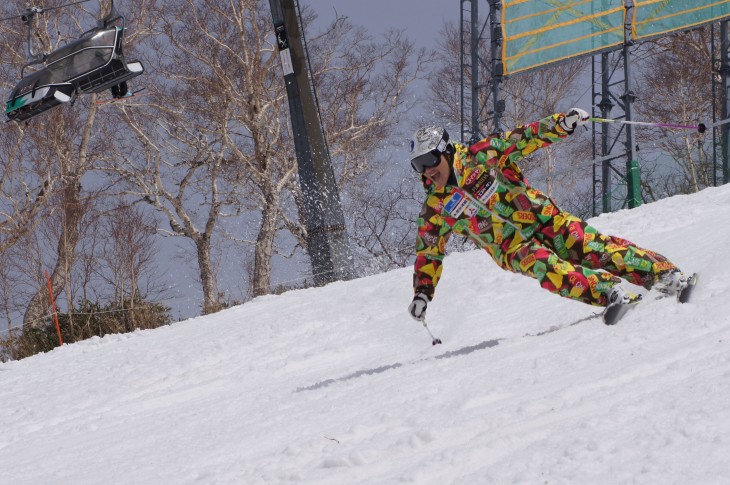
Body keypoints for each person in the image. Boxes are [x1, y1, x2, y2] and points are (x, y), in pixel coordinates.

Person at [407, 109, 690, 323]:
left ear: (445, 152)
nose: (427, 170)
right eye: (418, 166)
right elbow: (428, 253)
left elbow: (524, 138)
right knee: (549, 269)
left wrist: (560, 124)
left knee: (590, 246)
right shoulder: (435, 208)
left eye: (429, 160)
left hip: (542, 217)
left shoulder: (481, 156)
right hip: (512, 247)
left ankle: (664, 275)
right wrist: (422, 293)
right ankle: (610, 293)